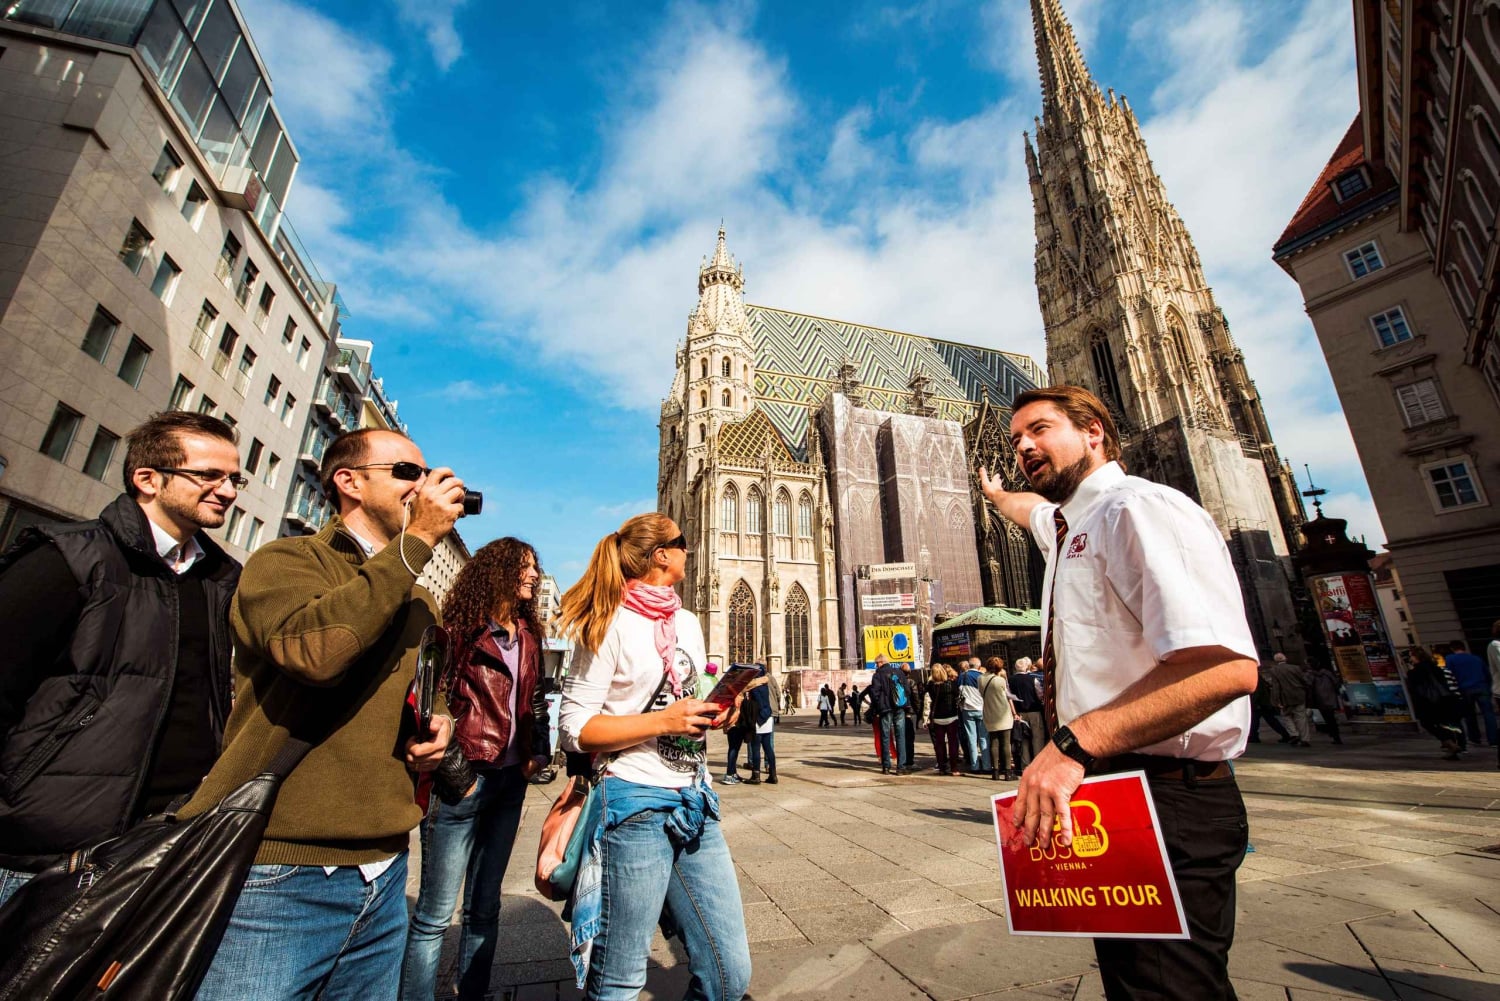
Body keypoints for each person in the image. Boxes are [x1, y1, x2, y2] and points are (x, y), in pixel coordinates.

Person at [980, 385, 1259, 1001]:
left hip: (1170, 799)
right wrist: (998, 497)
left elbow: (1225, 669)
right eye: (1016, 438)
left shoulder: (1139, 509)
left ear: (1095, 431)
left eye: (1041, 429)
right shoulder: (1068, 525)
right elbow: (1033, 512)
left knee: (1170, 989)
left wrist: (1073, 745)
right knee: (1139, 984)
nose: (1024, 444)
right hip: (1117, 797)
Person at [188, 428, 460, 998]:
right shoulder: (285, 561)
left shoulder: (419, 599)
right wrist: (414, 548)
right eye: (407, 473)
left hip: (383, 869)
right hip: (282, 872)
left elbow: (424, 694)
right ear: (349, 482)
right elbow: (315, 652)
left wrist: (440, 726)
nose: (426, 486)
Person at [0, 412, 243, 907]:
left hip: (162, 847)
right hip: (42, 855)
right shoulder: (68, 558)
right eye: (209, 475)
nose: (228, 491)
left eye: (234, 478)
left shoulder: (221, 579)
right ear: (148, 479)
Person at [557, 513, 751, 1001]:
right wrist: (664, 721)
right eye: (682, 542)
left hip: (693, 800)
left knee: (729, 977)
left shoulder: (684, 621)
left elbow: (685, 694)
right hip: (633, 802)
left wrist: (719, 710)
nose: (691, 547)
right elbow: (575, 729)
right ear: (661, 554)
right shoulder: (607, 620)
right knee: (619, 981)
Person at [402, 538, 552, 1001]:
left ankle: (474, 994)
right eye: (524, 568)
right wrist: (457, 776)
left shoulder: (528, 633)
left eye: (534, 568)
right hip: (465, 781)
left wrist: (536, 754)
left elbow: (537, 701)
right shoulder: (463, 629)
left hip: (509, 783)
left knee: (485, 908)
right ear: (499, 572)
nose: (532, 576)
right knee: (434, 915)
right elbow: (431, 699)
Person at [1405, 645, 1466, 760]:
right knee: (1445, 723)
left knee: (1428, 723)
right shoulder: (1436, 668)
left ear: (1416, 657)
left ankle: (1449, 743)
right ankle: (1453, 747)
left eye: (1411, 656)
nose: (1411, 659)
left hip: (1427, 701)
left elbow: (1415, 689)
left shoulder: (1415, 672)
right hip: (1444, 699)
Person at [1445, 639, 1497, 748]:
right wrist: (1488, 686)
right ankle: (1493, 739)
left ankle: (1475, 738)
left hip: (1464, 689)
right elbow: (1487, 673)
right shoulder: (1476, 658)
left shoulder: (1450, 659)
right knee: (1488, 714)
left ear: (1452, 648)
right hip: (1481, 687)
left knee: (1470, 715)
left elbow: (1450, 675)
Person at [870, 654, 910, 774]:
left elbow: (874, 693)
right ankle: (901, 767)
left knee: (885, 736)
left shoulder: (877, 675)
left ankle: (886, 766)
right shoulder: (899, 672)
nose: (876, 665)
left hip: (885, 709)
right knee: (900, 736)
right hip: (899, 707)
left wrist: (878, 707)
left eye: (876, 663)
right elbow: (907, 690)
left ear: (881, 662)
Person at [981, 657, 1017, 780]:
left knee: (994, 743)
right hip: (1003, 713)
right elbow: (1008, 695)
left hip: (989, 712)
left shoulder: (980, 679)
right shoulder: (1000, 680)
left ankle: (995, 771)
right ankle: (1007, 772)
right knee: (1006, 743)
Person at [1008, 656, 1046, 769]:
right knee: (1037, 738)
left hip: (1019, 712)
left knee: (1024, 739)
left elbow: (1009, 696)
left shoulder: (1010, 680)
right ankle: (1038, 764)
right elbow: (1040, 694)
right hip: (1034, 710)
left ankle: (1026, 765)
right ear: (1026, 668)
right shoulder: (1032, 679)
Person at [1268, 653, 1311, 747]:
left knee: (1286, 716)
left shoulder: (1274, 670)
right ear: (1285, 658)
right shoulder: (1295, 668)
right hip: (1298, 695)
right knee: (1301, 718)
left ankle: (1294, 734)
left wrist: (1276, 700)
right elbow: (1304, 680)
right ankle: (1305, 739)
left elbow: (1276, 686)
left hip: (1285, 698)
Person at [926, 664, 962, 774]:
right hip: (951, 716)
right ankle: (954, 768)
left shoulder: (930, 686)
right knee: (953, 742)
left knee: (940, 743)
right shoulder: (951, 684)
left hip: (937, 717)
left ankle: (942, 767)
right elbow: (959, 697)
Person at [745, 673, 779, 784]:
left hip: (758, 720)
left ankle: (756, 776)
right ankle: (773, 775)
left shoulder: (754, 687)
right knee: (768, 747)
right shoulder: (765, 685)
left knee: (755, 748)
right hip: (768, 718)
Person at [957, 658, 989, 773]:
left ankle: (974, 765)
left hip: (967, 709)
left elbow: (960, 690)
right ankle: (986, 765)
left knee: (971, 738)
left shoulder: (962, 676)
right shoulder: (982, 676)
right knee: (983, 738)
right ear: (979, 666)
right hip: (981, 708)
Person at [1248, 662, 1293, 743]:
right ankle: (1254, 736)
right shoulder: (1258, 677)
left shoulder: (1255, 678)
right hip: (1262, 702)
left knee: (1262, 720)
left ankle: (1254, 736)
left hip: (1260, 703)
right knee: (1264, 720)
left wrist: (1255, 702)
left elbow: (1257, 692)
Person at [1303, 663, 1344, 746]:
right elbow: (1336, 683)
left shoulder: (1310, 675)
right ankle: (1335, 735)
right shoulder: (1327, 673)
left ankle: (1334, 735)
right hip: (1330, 697)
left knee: (1327, 718)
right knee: (1331, 717)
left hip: (1320, 700)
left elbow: (1307, 686)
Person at [902, 663, 924, 767]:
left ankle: (902, 760)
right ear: (909, 672)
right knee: (910, 738)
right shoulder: (911, 682)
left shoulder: (896, 682)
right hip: (910, 712)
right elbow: (916, 698)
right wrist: (919, 712)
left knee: (901, 737)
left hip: (899, 712)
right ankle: (909, 761)